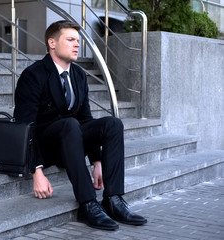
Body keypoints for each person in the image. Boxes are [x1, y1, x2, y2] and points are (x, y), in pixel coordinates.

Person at [13, 20, 147, 230]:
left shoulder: (78, 75)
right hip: (47, 146)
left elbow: (85, 119)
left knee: (113, 124)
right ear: (52, 43)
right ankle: (87, 204)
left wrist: (97, 161)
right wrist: (36, 171)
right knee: (69, 124)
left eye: (78, 40)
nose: (77, 44)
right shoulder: (33, 75)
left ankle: (113, 200)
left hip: (72, 139)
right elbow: (24, 125)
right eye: (70, 40)